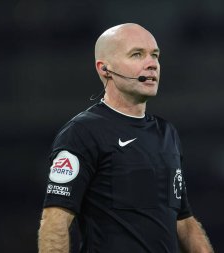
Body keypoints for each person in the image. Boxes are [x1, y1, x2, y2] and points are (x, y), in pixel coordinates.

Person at [38, 23, 214, 253]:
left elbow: (184, 221)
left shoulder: (166, 133)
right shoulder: (82, 133)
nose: (152, 64)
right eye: (137, 54)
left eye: (155, 55)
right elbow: (55, 221)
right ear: (105, 69)